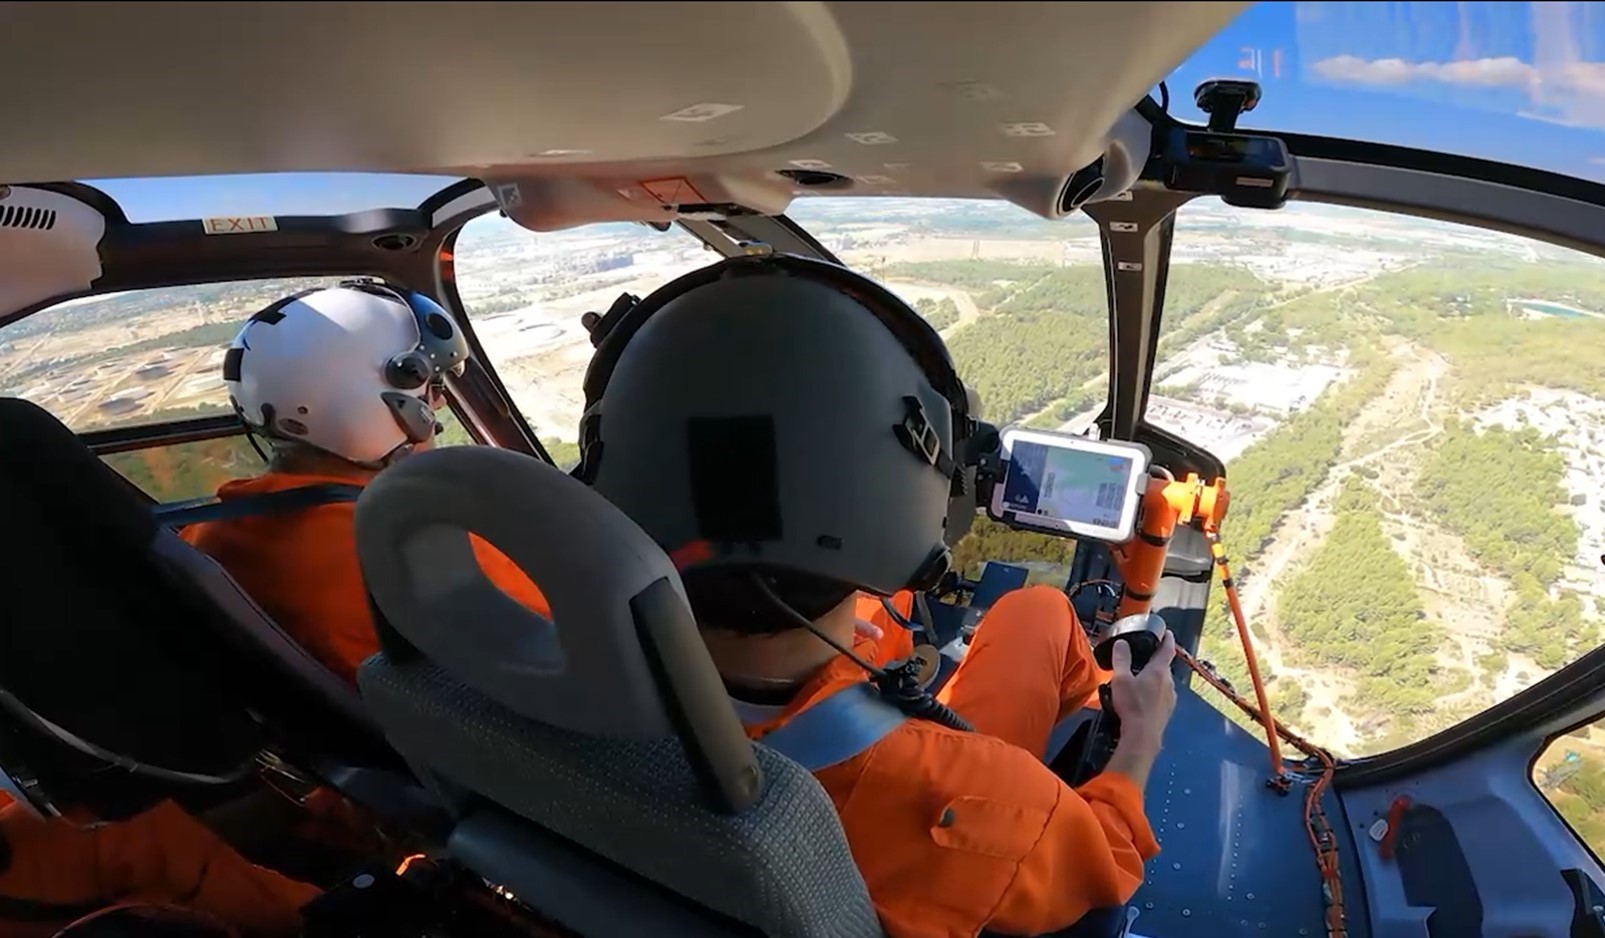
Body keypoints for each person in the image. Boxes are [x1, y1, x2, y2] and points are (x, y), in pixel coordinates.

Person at [587, 258, 1178, 938]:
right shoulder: (977, 797)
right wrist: (1141, 738)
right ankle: (1111, 695)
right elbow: (1104, 865)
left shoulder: (530, 649)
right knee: (1040, 609)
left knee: (1001, 612)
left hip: (684, 719)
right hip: (877, 800)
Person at [0, 283, 549, 937]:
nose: (435, 406)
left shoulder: (215, 533)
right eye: (428, 389)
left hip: (354, 770)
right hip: (504, 773)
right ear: (375, 402)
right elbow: (579, 666)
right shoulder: (415, 549)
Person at [180, 281, 551, 680]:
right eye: (431, 389)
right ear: (365, 405)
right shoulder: (425, 555)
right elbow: (576, 645)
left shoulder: (204, 533)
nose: (440, 401)